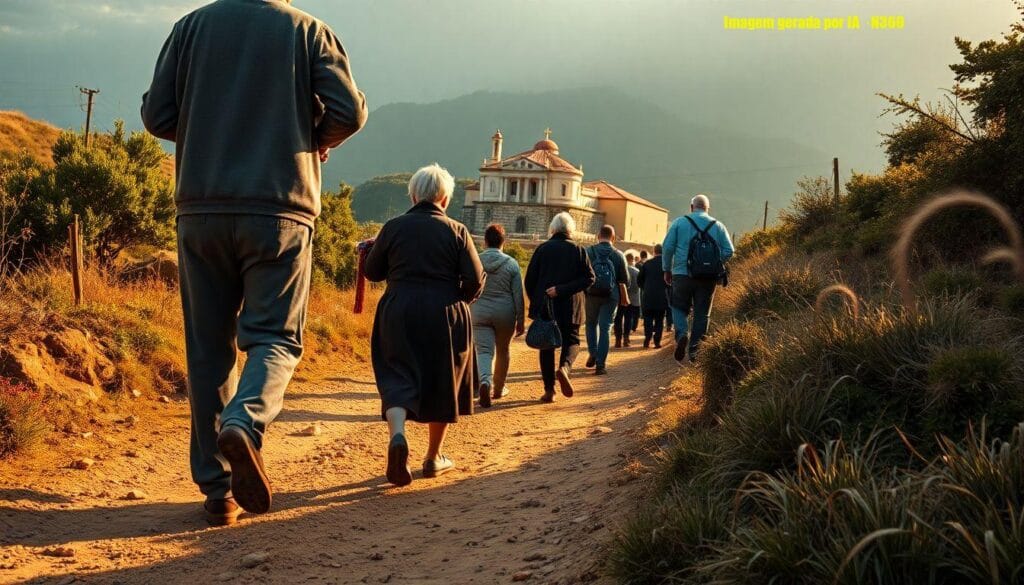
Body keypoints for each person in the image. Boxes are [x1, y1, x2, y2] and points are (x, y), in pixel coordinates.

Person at [141, 0, 367, 526]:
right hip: (280, 208)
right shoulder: (309, 31)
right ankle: (244, 421)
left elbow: (158, 115)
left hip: (200, 208)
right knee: (275, 337)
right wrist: (312, 137)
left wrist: (209, 135)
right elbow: (348, 113)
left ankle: (218, 492)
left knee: (207, 348)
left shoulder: (190, 27)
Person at [364, 165, 485, 487]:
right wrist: (458, 300)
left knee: (396, 373)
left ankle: (398, 435)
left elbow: (373, 272)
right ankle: (433, 457)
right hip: (444, 311)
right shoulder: (458, 230)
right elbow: (475, 279)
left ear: (413, 195)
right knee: (442, 378)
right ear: (445, 198)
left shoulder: (393, 227)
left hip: (398, 308)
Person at [523, 213, 596, 403]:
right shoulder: (579, 250)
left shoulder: (542, 249)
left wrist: (537, 301)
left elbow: (530, 280)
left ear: (553, 229)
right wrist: (564, 289)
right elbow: (590, 278)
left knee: (546, 346)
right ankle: (564, 368)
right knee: (572, 341)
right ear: (570, 230)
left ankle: (549, 391)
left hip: (547, 307)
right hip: (572, 305)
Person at [662, 194, 734, 363]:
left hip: (681, 274)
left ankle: (681, 334)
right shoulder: (718, 226)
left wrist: (667, 269)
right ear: (708, 208)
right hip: (707, 278)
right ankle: (695, 352)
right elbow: (729, 250)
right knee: (702, 314)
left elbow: (667, 247)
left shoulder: (679, 223)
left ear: (691, 207)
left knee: (678, 306)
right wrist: (715, 263)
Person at [472, 224, 526, 408]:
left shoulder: (476, 261)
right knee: (503, 350)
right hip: (505, 312)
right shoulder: (511, 263)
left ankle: (485, 382)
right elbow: (518, 294)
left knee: (484, 351)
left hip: (479, 311)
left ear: (485, 241)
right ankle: (498, 389)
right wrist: (520, 319)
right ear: (504, 242)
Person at [584, 225, 629, 375]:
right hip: (611, 296)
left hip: (591, 294)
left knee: (590, 324)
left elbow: (581, 274)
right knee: (605, 328)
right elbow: (625, 280)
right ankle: (600, 364)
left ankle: (593, 353)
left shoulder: (588, 252)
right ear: (613, 238)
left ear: (598, 236)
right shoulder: (618, 255)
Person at [637, 244, 669, 348]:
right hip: (662, 296)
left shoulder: (647, 264)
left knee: (648, 319)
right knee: (659, 320)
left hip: (648, 295)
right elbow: (670, 281)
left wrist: (644, 287)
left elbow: (639, 280)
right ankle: (657, 341)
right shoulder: (666, 265)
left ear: (654, 251)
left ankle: (647, 338)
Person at [614, 253, 641, 348]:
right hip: (632, 299)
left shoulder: (620, 270)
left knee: (618, 318)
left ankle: (618, 339)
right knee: (628, 319)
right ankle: (626, 339)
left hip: (620, 297)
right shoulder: (637, 271)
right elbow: (638, 287)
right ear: (633, 259)